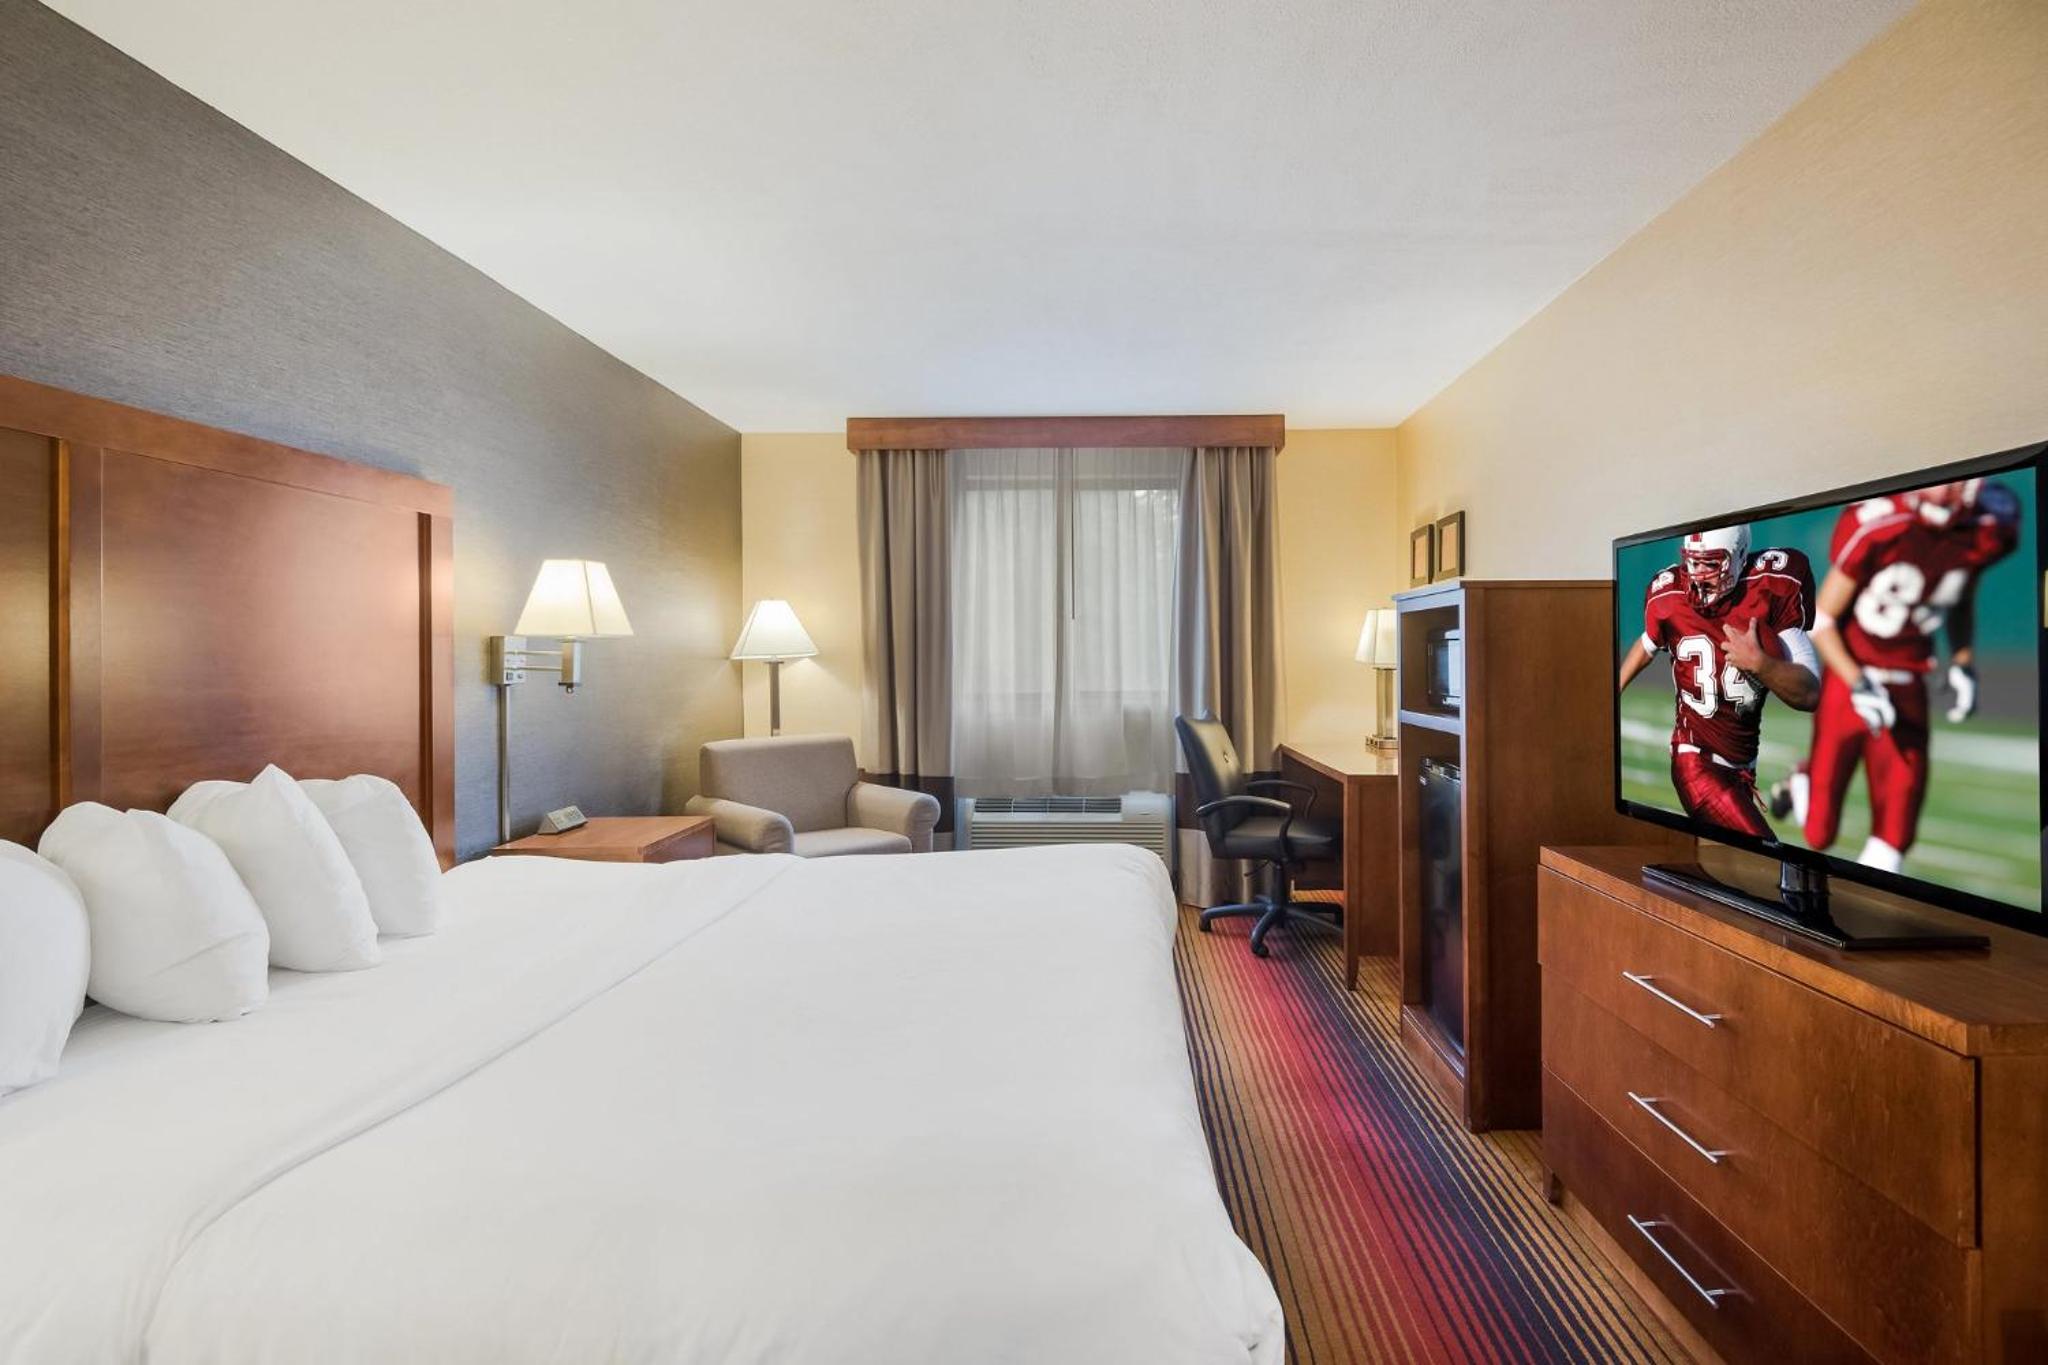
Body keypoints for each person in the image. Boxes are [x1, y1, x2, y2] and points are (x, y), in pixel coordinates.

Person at [1769, 478, 2021, 871]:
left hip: (1908, 683)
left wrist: (1962, 661)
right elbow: (1823, 619)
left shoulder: (1987, 523)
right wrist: (1858, 683)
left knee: (1895, 837)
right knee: (1819, 834)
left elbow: (1959, 594)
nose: (1950, 489)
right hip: (1851, 679)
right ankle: (1804, 779)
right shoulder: (1880, 522)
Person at [1619, 525, 1820, 838]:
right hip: (1696, 762)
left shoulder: (1772, 586)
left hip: (1741, 768)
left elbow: (1810, 693)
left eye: (1710, 563)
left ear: (1739, 557)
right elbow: (1648, 644)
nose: (1698, 574)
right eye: (1692, 562)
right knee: (1768, 857)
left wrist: (1762, 665)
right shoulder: (1669, 595)